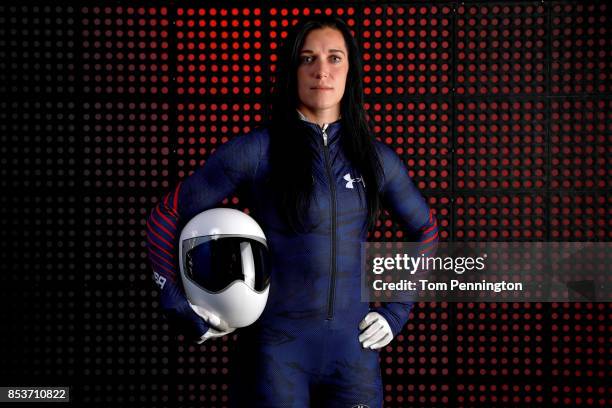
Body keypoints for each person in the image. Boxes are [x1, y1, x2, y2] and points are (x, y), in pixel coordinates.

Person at [147, 15, 438, 408]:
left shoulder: (376, 159)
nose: (322, 71)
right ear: (292, 69)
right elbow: (167, 214)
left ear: (350, 69)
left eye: (335, 58)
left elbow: (427, 231)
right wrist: (175, 301)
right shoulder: (257, 150)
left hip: (354, 355)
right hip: (274, 353)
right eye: (307, 59)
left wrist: (397, 311)